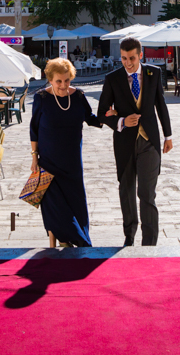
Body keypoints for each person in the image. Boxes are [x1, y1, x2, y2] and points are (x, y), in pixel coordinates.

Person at [98, 37, 173, 246]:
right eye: (123, 58)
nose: (128, 63)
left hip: (150, 142)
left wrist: (168, 136)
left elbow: (161, 105)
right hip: (124, 143)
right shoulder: (112, 78)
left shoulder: (154, 73)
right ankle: (129, 237)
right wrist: (120, 120)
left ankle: (149, 243)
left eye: (131, 58)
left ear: (140, 55)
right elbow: (101, 113)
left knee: (146, 193)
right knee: (127, 190)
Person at [30, 58, 104, 248]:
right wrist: (34, 157)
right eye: (58, 81)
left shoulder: (78, 96)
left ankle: (75, 239)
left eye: (67, 80)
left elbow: (91, 118)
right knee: (55, 206)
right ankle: (66, 239)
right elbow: (34, 129)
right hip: (49, 162)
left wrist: (108, 118)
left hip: (72, 163)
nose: (63, 85)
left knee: (76, 203)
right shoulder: (42, 98)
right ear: (50, 80)